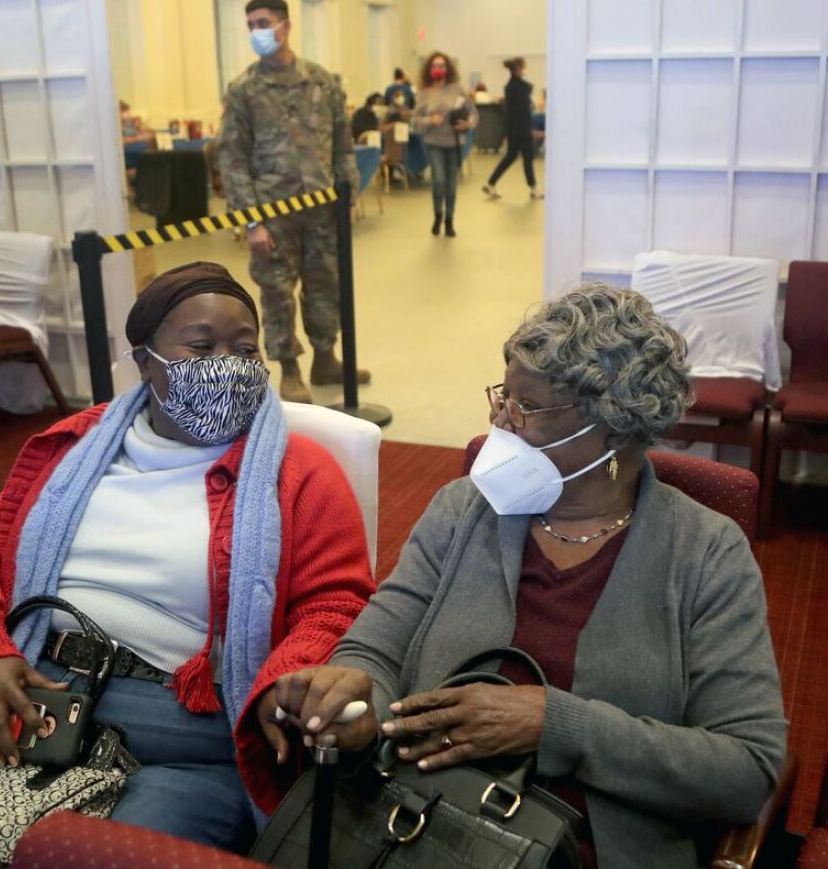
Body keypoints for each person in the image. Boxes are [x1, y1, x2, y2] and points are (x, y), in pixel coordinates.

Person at [273, 283, 788, 869]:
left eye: (529, 408)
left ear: (615, 429)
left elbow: (746, 769)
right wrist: (353, 702)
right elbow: (376, 648)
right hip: (414, 824)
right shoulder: (462, 508)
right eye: (503, 396)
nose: (500, 419)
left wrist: (554, 724)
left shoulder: (705, 552)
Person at [0, 262, 374, 850]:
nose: (227, 363)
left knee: (105, 859)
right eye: (201, 347)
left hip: (186, 729)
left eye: (244, 348)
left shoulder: (299, 474)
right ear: (145, 359)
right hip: (32, 692)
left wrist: (287, 680)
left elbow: (335, 603)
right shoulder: (72, 448)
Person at [217, 0, 369, 405]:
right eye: (250, 26)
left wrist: (348, 196)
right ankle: (290, 370)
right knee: (277, 292)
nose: (257, 33)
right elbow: (232, 160)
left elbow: (343, 145)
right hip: (272, 212)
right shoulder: (244, 90)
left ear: (285, 25)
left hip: (321, 209)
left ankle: (325, 357)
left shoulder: (323, 81)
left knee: (326, 285)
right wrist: (252, 222)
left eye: (263, 23)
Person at [414, 52, 477, 238]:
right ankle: (437, 215)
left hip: (455, 143)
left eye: (442, 65)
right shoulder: (424, 93)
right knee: (439, 180)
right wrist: (428, 120)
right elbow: (415, 121)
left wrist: (468, 124)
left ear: (447, 68)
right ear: (429, 69)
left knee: (451, 185)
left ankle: (449, 220)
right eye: (435, 65)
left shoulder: (457, 89)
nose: (438, 69)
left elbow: (473, 113)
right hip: (434, 143)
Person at [483, 57, 543, 200]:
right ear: (518, 68)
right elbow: (523, 110)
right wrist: (528, 130)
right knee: (527, 158)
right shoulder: (519, 87)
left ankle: (490, 183)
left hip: (514, 128)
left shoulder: (511, 86)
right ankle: (533, 188)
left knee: (511, 157)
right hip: (521, 128)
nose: (525, 70)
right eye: (524, 67)